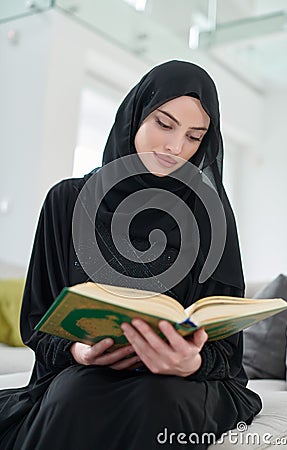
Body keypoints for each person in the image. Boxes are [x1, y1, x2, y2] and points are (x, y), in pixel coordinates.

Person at [0, 60, 262, 449]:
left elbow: (226, 348)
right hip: (83, 371)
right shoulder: (68, 201)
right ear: (135, 116)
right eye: (164, 124)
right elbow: (38, 322)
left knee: (156, 399)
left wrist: (191, 362)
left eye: (194, 136)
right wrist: (79, 350)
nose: (176, 148)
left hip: (180, 381)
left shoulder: (211, 215)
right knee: (74, 396)